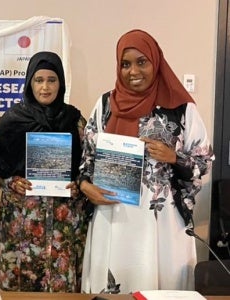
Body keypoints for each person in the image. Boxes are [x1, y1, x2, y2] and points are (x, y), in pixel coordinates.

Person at [78, 29, 214, 293]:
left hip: (162, 225)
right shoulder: (105, 104)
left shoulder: (181, 109)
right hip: (112, 215)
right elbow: (88, 159)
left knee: (158, 286)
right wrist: (86, 187)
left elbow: (204, 162)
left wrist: (174, 157)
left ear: (156, 62)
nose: (133, 71)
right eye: (125, 64)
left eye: (142, 62)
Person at [0, 51, 87, 292]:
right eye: (38, 80)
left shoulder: (74, 120)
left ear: (61, 83)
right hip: (22, 217)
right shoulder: (13, 119)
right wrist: (11, 181)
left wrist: (80, 183)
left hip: (63, 220)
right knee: (21, 282)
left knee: (60, 284)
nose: (45, 87)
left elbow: (90, 163)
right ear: (29, 83)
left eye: (52, 80)